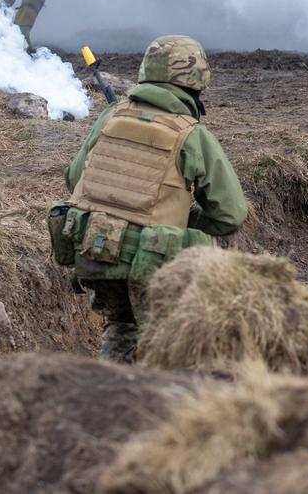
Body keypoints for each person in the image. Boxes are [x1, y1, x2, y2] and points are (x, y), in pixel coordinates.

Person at [49, 35, 248, 361]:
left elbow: (74, 177)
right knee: (167, 341)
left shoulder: (111, 116)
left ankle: (104, 399)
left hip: (96, 249)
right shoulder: (192, 134)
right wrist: (184, 214)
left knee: (122, 328)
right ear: (196, 80)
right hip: (152, 258)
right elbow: (230, 214)